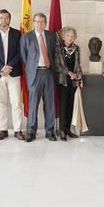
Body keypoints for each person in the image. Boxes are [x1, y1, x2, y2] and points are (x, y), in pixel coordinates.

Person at [0, 9, 24, 141]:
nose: (4, 20)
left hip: (14, 73)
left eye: (6, 18)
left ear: (10, 19)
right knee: (1, 103)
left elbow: (20, 53)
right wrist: (2, 67)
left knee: (16, 102)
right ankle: (3, 130)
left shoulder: (17, 34)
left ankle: (18, 130)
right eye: (1, 18)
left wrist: (8, 67)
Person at [20, 13, 58, 142]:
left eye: (42, 22)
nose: (40, 24)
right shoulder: (26, 37)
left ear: (45, 23)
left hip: (48, 73)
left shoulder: (52, 36)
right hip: (35, 74)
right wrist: (31, 68)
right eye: (37, 21)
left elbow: (55, 55)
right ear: (33, 23)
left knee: (49, 105)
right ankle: (31, 131)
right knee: (33, 104)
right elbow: (24, 57)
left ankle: (50, 131)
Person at [54, 26, 83, 141]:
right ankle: (61, 130)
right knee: (63, 105)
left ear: (75, 37)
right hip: (63, 81)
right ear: (63, 36)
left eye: (72, 36)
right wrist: (69, 73)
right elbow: (57, 66)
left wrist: (79, 74)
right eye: (68, 36)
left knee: (71, 105)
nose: (70, 38)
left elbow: (78, 63)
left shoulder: (77, 48)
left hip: (73, 81)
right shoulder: (58, 48)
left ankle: (67, 129)